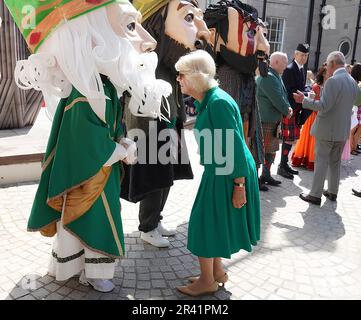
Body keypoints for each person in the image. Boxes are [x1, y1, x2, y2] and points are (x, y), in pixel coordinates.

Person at [5, 0, 172, 292]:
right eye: (130, 27)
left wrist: (122, 140)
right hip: (88, 175)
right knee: (94, 220)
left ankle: (76, 267)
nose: (147, 41)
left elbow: (107, 128)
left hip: (96, 174)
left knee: (87, 221)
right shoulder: (86, 92)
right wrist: (120, 150)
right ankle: (92, 273)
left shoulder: (103, 87)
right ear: (96, 38)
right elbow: (88, 141)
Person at [121, 0, 210, 248]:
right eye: (189, 18)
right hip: (150, 127)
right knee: (154, 178)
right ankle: (147, 226)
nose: (201, 29)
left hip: (170, 122)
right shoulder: (146, 62)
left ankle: (156, 219)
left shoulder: (171, 65)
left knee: (166, 177)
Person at [174, 50, 261, 297]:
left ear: (195, 76)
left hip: (229, 173)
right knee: (214, 222)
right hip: (222, 171)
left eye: (181, 75)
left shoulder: (217, 102)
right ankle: (216, 273)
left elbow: (233, 144)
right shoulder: (211, 99)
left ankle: (206, 281)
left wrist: (239, 185)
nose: (178, 79)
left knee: (204, 224)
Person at [203, 0, 270, 191]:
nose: (264, 46)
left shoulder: (243, 73)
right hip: (230, 165)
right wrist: (238, 179)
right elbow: (227, 130)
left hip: (240, 154)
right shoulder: (227, 75)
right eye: (251, 34)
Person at [294, 51, 361, 205]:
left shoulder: (332, 81)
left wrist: (303, 100)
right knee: (335, 163)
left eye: (327, 64)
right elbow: (356, 102)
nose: (327, 67)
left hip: (327, 130)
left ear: (332, 64)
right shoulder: (352, 81)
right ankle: (332, 192)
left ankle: (315, 194)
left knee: (321, 161)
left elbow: (324, 106)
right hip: (342, 130)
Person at [256, 52, 293, 190]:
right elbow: (277, 98)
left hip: (272, 121)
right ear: (276, 62)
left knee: (270, 151)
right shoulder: (269, 77)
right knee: (260, 151)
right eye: (285, 62)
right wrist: (287, 110)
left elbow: (282, 96)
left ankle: (265, 175)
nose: (286, 66)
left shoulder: (274, 75)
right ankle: (256, 179)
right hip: (265, 121)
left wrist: (287, 108)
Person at [278, 43, 310, 180]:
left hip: (297, 109)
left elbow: (300, 88)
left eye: (306, 56)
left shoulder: (302, 69)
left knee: (292, 139)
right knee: (288, 138)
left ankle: (285, 164)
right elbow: (286, 91)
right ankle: (282, 166)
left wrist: (306, 93)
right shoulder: (290, 69)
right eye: (302, 55)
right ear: (295, 54)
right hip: (290, 108)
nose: (304, 58)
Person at [291, 65, 329, 170]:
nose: (329, 74)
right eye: (327, 72)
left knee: (319, 140)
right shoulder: (316, 86)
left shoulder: (331, 87)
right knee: (310, 139)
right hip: (313, 115)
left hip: (323, 116)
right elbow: (312, 101)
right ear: (323, 73)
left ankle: (316, 160)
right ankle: (307, 160)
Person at [350, 63, 361, 155]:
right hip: (354, 108)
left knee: (353, 129)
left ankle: (353, 147)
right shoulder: (354, 82)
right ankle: (351, 148)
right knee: (352, 129)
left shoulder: (355, 82)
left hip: (355, 107)